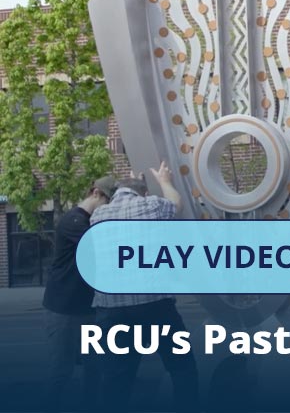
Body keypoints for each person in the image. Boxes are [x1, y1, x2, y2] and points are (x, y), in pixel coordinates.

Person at [90, 163, 199, 412]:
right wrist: (164, 181)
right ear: (144, 193)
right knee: (182, 368)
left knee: (117, 378)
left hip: (112, 309)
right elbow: (176, 203)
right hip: (154, 305)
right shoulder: (151, 206)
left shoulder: (98, 216)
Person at [42, 176, 116, 412]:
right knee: (61, 369)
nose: (108, 208)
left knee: (94, 368)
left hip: (86, 309)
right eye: (108, 201)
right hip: (63, 308)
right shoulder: (74, 221)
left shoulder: (88, 221)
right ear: (96, 193)